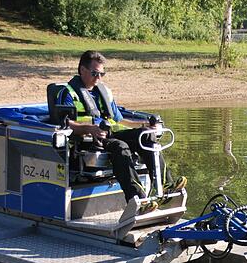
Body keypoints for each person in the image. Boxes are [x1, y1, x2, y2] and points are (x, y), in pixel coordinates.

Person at [55, 50, 185, 213]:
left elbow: (119, 119)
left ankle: (166, 187)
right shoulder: (67, 93)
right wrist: (90, 129)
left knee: (146, 137)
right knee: (120, 146)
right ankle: (137, 199)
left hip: (108, 134)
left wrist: (144, 125)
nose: (99, 78)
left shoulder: (103, 92)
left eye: (102, 74)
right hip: (87, 140)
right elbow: (66, 123)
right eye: (95, 73)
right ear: (82, 70)